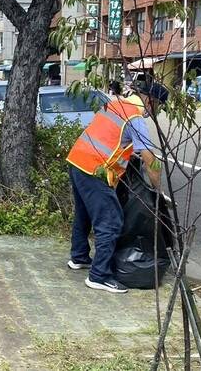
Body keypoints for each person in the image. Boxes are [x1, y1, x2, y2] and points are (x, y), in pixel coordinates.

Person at [65, 82, 168, 293]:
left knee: (83, 215)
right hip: (96, 169)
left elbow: (113, 138)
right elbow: (150, 161)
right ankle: (99, 276)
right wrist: (158, 190)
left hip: (77, 161)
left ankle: (79, 257)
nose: (157, 111)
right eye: (159, 106)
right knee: (110, 222)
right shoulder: (135, 118)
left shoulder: (116, 105)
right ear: (150, 100)